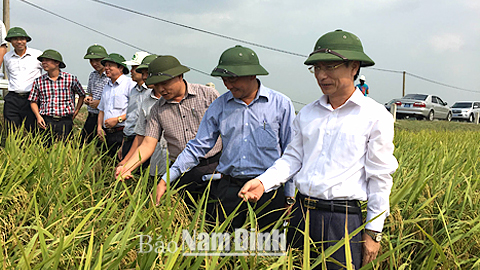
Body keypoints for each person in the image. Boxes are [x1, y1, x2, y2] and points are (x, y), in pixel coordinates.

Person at [238, 30, 398, 269]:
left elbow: (379, 177)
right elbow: (292, 158)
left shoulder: (375, 116)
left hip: (342, 220)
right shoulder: (308, 114)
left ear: (354, 67)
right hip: (301, 215)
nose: (322, 75)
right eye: (317, 68)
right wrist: (263, 182)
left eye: (331, 67)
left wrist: (373, 231)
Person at [154, 45, 296, 231]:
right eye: (224, 80)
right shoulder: (219, 106)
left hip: (268, 189)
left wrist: (289, 196)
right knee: (223, 244)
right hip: (230, 188)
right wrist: (168, 177)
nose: (228, 85)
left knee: (267, 246)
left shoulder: (280, 104)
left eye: (233, 79)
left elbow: (290, 152)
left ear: (253, 75)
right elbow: (198, 146)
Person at [116, 55, 222, 205]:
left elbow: (227, 133)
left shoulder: (208, 95)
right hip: (180, 170)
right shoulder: (157, 110)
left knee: (215, 215)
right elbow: (147, 144)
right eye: (156, 85)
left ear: (180, 76)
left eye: (165, 83)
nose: (161, 89)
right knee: (185, 213)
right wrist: (128, 167)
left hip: (213, 167)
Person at [117, 54, 168, 179]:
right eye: (143, 73)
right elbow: (141, 137)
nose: (145, 77)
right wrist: (127, 162)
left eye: (148, 73)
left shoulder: (176, 99)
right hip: (154, 158)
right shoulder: (147, 100)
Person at [29, 49, 85, 142]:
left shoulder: (70, 79)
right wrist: (38, 116)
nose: (44, 63)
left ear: (57, 63)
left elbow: (81, 95)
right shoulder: (39, 81)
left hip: (65, 120)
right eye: (43, 60)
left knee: (66, 148)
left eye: (47, 60)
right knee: (45, 149)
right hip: (46, 119)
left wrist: (76, 111)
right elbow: (33, 101)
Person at [3, 27, 42, 132]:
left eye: (22, 39)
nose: (19, 42)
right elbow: (10, 75)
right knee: (11, 130)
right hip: (13, 98)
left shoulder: (37, 55)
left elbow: (48, 71)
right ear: (10, 41)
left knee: (33, 130)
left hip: (31, 98)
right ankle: (12, 148)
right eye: (15, 39)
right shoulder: (7, 57)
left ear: (26, 40)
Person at [96, 53, 136, 158]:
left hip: (122, 133)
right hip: (106, 134)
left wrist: (118, 119)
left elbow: (136, 111)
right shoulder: (107, 87)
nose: (107, 68)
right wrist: (99, 127)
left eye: (110, 65)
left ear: (121, 67)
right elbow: (102, 109)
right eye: (106, 65)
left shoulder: (130, 84)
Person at [120, 51, 150, 158]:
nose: (131, 71)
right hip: (129, 138)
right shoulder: (133, 90)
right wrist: (123, 144)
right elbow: (130, 118)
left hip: (143, 141)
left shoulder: (152, 92)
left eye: (135, 68)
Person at [80, 44, 109, 143]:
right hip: (91, 115)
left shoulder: (110, 76)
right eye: (91, 61)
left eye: (97, 60)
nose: (94, 63)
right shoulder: (93, 75)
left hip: (105, 118)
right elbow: (91, 93)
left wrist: (99, 104)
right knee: (83, 143)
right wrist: (88, 99)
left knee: (101, 145)